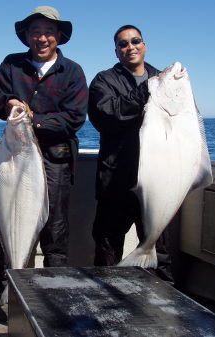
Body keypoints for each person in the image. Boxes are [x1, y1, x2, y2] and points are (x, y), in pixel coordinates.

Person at [0, 6, 88, 268]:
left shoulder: (73, 71)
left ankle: (52, 295)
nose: (42, 38)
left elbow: (74, 118)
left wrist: (33, 120)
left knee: (55, 229)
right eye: (36, 31)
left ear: (58, 36)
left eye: (48, 32)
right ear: (27, 36)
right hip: (15, 155)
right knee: (10, 219)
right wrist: (8, 103)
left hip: (55, 159)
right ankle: (9, 290)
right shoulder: (11, 64)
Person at [88, 25, 173, 281]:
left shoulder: (163, 79)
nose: (130, 47)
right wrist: (147, 89)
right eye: (123, 44)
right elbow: (106, 115)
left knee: (159, 245)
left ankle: (167, 300)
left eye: (135, 41)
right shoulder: (104, 80)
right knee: (107, 244)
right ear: (116, 52)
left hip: (156, 181)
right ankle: (105, 300)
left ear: (144, 45)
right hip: (116, 179)